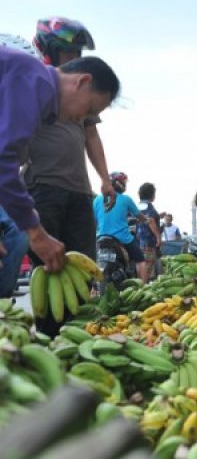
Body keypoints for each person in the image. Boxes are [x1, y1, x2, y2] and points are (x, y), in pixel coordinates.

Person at [0, 48, 119, 306]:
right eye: (88, 109)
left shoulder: (36, 90)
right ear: (82, 81)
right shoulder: (35, 81)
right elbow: (4, 161)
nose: (81, 119)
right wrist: (37, 233)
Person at [24, 18, 117, 271]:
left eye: (78, 53)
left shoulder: (85, 94)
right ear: (49, 50)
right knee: (48, 266)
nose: (74, 57)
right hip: (43, 184)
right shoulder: (32, 84)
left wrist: (105, 179)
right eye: (68, 52)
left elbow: (92, 136)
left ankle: (80, 312)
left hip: (79, 189)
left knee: (83, 263)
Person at [94, 172, 148, 280]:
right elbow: (139, 216)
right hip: (122, 238)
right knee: (140, 260)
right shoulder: (125, 199)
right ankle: (143, 287)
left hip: (100, 238)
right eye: (124, 182)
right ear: (120, 184)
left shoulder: (97, 200)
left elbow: (95, 220)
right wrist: (146, 220)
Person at [136, 182, 161, 281]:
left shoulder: (137, 206)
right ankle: (143, 290)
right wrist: (158, 237)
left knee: (140, 268)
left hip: (138, 242)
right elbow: (150, 221)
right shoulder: (149, 206)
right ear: (152, 194)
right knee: (147, 269)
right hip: (148, 243)